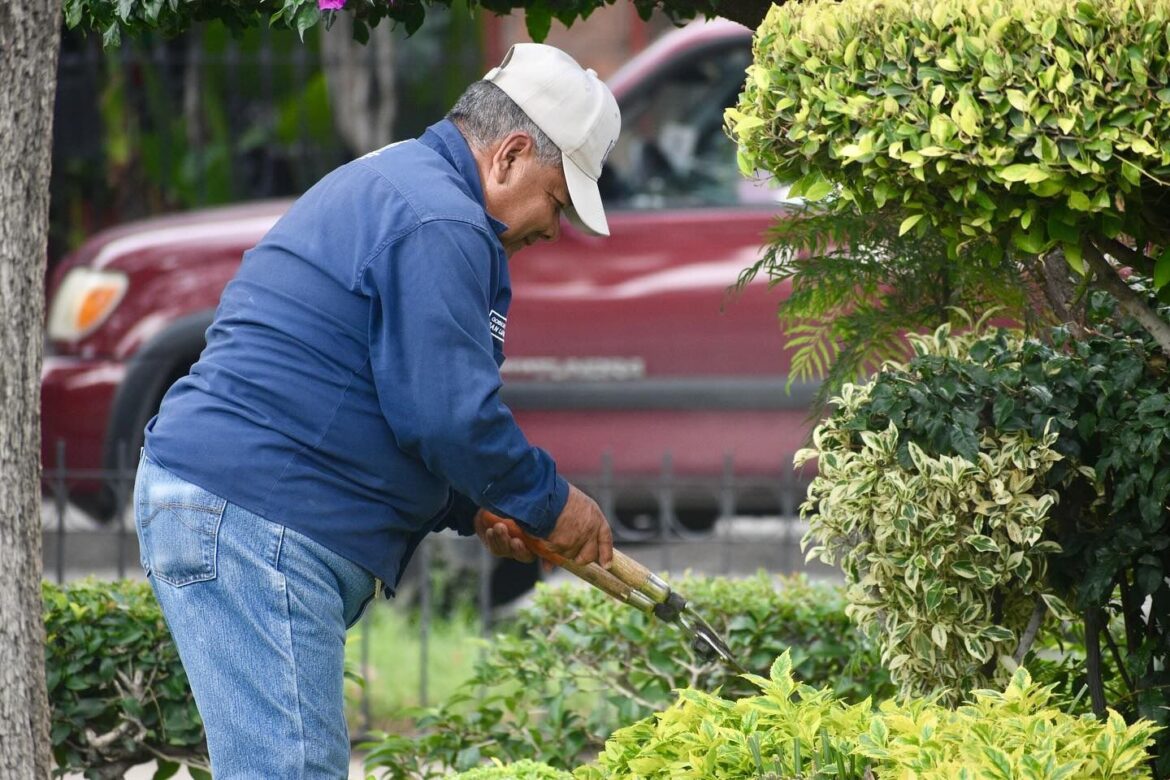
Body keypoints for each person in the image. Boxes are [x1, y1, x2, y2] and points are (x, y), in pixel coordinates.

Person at [133, 42, 620, 777]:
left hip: (237, 508)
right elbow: (448, 417)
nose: (554, 228)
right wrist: (553, 504)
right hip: (255, 514)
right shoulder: (441, 220)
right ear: (512, 155)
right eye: (558, 200)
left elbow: (390, 398)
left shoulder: (414, 189)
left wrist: (479, 507)